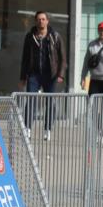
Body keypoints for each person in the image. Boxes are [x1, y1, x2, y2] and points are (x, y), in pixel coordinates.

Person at [20, 11, 67, 140]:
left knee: (50, 102)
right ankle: (27, 128)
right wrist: (23, 77)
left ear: (47, 21)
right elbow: (25, 58)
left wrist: (60, 74)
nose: (41, 21)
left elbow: (63, 57)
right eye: (39, 19)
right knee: (30, 101)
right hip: (34, 74)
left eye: (43, 19)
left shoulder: (55, 36)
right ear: (36, 21)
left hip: (50, 74)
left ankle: (48, 129)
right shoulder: (30, 37)